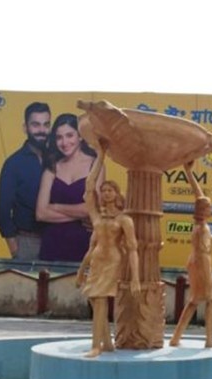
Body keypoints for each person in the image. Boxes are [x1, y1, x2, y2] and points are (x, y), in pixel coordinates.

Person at [76, 142, 140, 358]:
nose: (105, 193)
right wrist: (101, 155)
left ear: (117, 193)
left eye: (109, 190)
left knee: (101, 300)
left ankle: (97, 346)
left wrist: (136, 279)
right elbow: (88, 185)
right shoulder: (97, 216)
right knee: (94, 300)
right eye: (103, 190)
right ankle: (107, 343)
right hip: (96, 261)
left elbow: (132, 249)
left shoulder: (124, 220)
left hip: (113, 260)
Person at [36, 113, 102, 262]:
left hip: (84, 247)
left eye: (69, 135)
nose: (64, 142)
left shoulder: (96, 165)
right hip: (52, 245)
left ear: (80, 136)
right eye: (59, 137)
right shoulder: (51, 167)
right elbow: (41, 213)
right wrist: (80, 214)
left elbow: (91, 209)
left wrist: (55, 207)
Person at [170, 160, 212, 348]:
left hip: (196, 262)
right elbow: (201, 254)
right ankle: (209, 340)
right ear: (204, 211)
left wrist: (189, 172)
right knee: (211, 300)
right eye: (210, 207)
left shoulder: (201, 225)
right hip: (201, 263)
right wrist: (208, 275)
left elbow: (199, 196)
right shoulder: (201, 229)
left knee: (194, 301)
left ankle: (176, 338)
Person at [0, 101, 51, 260]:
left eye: (46, 124)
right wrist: (15, 249)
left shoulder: (57, 159)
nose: (42, 130)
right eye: (35, 125)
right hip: (27, 241)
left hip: (56, 240)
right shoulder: (14, 163)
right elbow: (3, 211)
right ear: (25, 127)